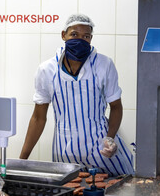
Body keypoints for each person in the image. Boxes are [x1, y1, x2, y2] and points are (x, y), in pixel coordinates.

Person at [19, 14, 134, 176]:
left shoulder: (104, 65)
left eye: (86, 36)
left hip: (102, 151)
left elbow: (116, 106)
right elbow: (38, 118)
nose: (80, 39)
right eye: (74, 34)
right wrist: (21, 160)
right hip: (65, 154)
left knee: (116, 189)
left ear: (91, 39)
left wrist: (110, 139)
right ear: (63, 35)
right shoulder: (47, 70)